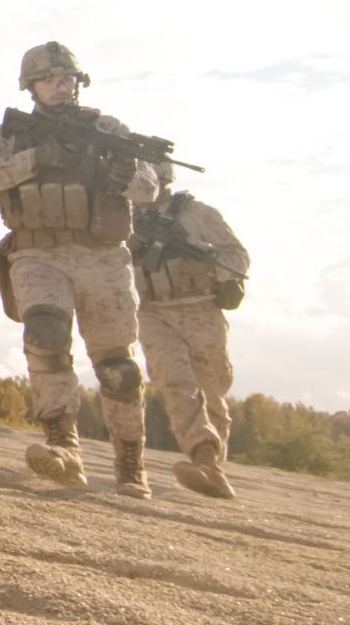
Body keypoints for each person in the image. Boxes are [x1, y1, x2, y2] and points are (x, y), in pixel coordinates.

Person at [0, 42, 160, 498]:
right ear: (30, 86)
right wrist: (38, 158)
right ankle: (62, 446)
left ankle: (130, 461)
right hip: (37, 253)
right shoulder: (10, 134)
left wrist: (115, 174)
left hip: (103, 257)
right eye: (50, 79)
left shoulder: (108, 129)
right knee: (46, 335)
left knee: (118, 367)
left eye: (67, 78)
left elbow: (149, 188)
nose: (61, 86)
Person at [131, 163, 249, 499]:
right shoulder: (121, 218)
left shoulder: (199, 214)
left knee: (213, 388)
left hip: (200, 309)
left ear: (166, 178)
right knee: (176, 382)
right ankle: (203, 456)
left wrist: (202, 257)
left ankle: (214, 468)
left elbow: (238, 256)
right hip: (152, 312)